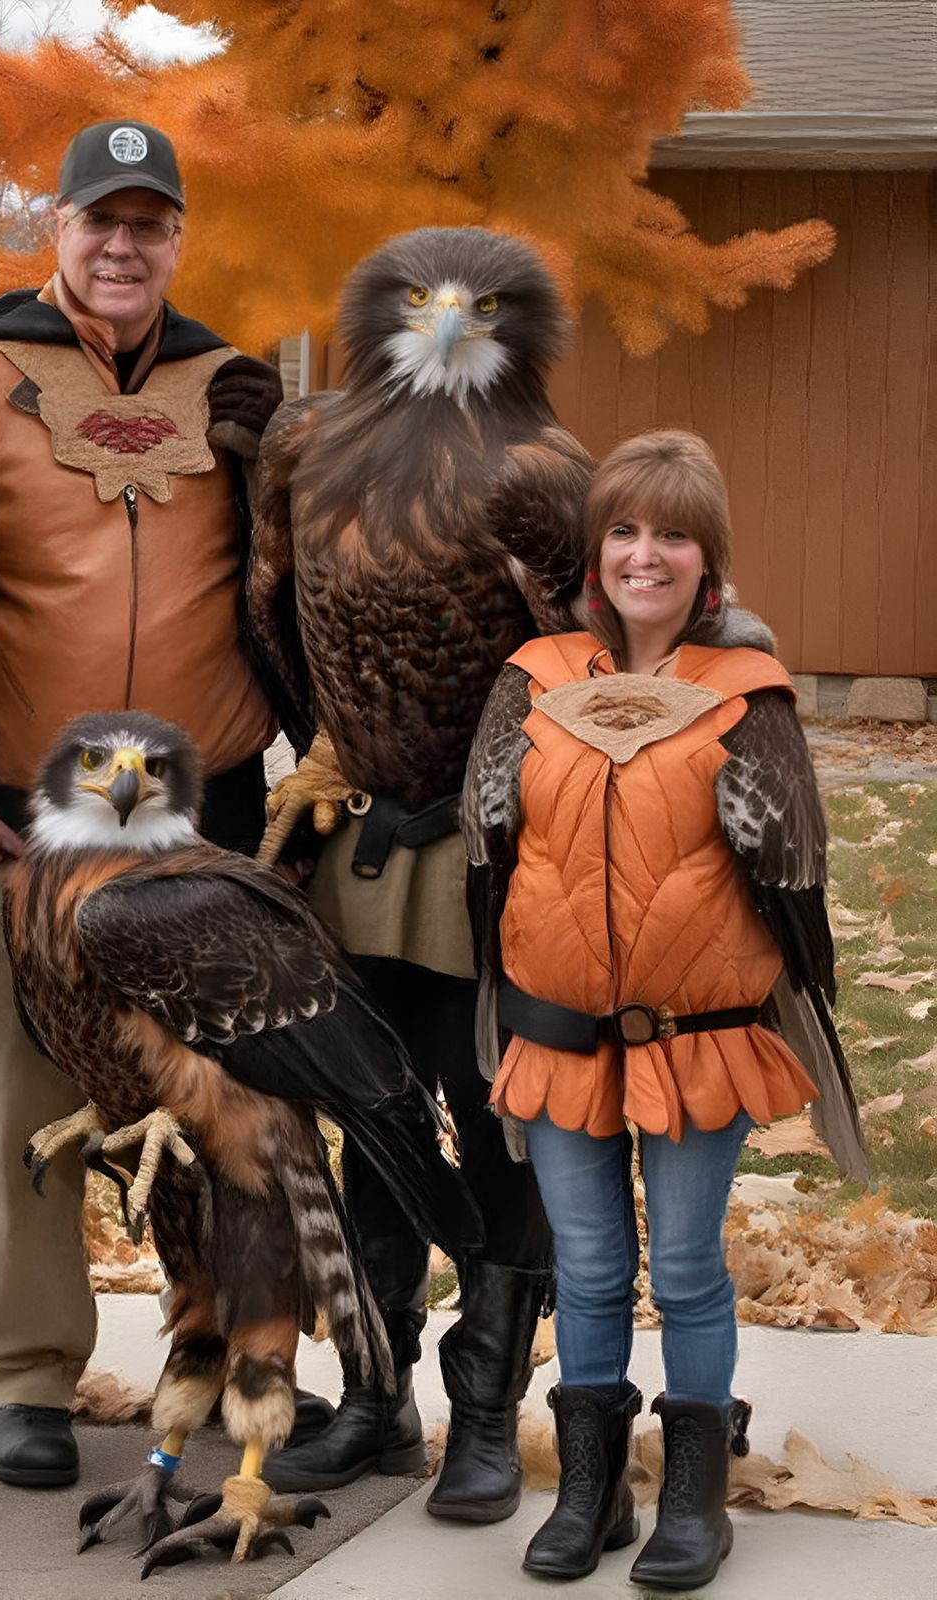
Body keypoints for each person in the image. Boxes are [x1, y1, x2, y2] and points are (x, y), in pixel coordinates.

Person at [0, 119, 285, 1488]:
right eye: (99, 220)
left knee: (225, 1110)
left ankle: (245, 1358)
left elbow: (281, 585)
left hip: (207, 818)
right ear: (54, 227)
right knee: (30, 1108)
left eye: (150, 222)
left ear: (178, 238)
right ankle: (28, 1372)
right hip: (29, 814)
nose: (124, 246)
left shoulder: (231, 386)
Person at [461, 430, 869, 1589]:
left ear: (708, 560)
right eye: (626, 530)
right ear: (596, 553)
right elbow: (489, 858)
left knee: (684, 1265)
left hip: (701, 1041)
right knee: (587, 1267)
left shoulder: (749, 698)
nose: (647, 554)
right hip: (556, 1038)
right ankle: (591, 1489)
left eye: (673, 534)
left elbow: (791, 896)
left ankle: (695, 1491)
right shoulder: (532, 680)